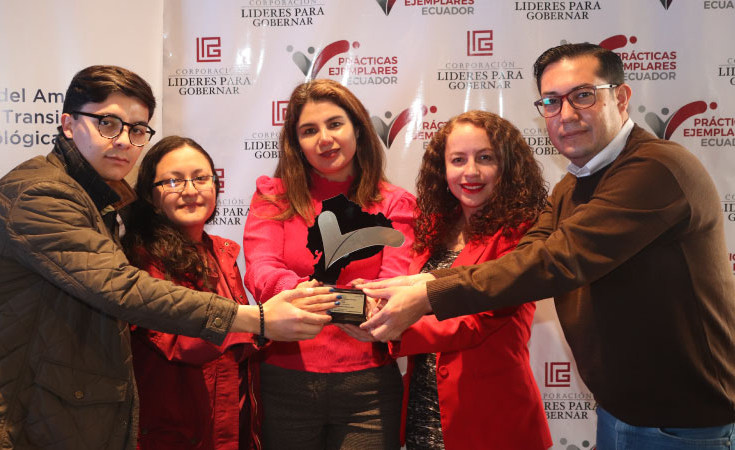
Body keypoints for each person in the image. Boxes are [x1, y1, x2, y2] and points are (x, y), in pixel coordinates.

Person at [0, 66, 335, 450]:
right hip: (6, 419)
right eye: (107, 123)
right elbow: (122, 290)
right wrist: (257, 320)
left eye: (137, 129)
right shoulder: (42, 194)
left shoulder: (101, 202)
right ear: (68, 124)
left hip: (50, 412)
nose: (124, 140)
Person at [360, 43, 735, 448]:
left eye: (583, 95)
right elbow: (532, 252)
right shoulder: (574, 183)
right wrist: (417, 286)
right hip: (623, 412)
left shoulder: (653, 168)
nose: (567, 114)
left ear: (621, 97)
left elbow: (556, 260)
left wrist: (427, 293)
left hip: (679, 423)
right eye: (552, 102)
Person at [243, 79, 415, 450]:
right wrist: (301, 291)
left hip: (368, 388)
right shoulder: (272, 197)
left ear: (358, 129)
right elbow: (261, 269)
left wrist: (369, 300)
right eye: (309, 130)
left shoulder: (396, 203)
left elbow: (395, 283)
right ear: (296, 143)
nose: (324, 139)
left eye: (335, 124)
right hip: (283, 383)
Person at [390, 110, 551, 450]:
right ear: (442, 169)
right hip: (424, 417)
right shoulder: (434, 227)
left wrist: (394, 327)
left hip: (490, 420)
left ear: (507, 166)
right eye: (458, 160)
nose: (471, 171)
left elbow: (476, 321)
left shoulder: (521, 234)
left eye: (485, 158)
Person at [123, 136, 273, 449]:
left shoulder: (222, 251)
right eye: (173, 181)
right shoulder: (140, 260)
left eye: (201, 178)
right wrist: (262, 323)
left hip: (232, 426)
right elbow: (183, 342)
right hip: (174, 434)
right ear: (150, 196)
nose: (190, 190)